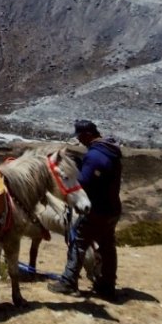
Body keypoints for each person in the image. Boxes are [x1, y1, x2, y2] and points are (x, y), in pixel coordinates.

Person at [48, 119, 122, 300]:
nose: (79, 140)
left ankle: (68, 281)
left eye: (80, 136)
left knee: (78, 240)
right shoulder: (110, 150)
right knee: (107, 247)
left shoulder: (95, 156)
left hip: (97, 209)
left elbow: (85, 183)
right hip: (112, 209)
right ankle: (107, 285)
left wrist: (77, 171)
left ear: (88, 134)